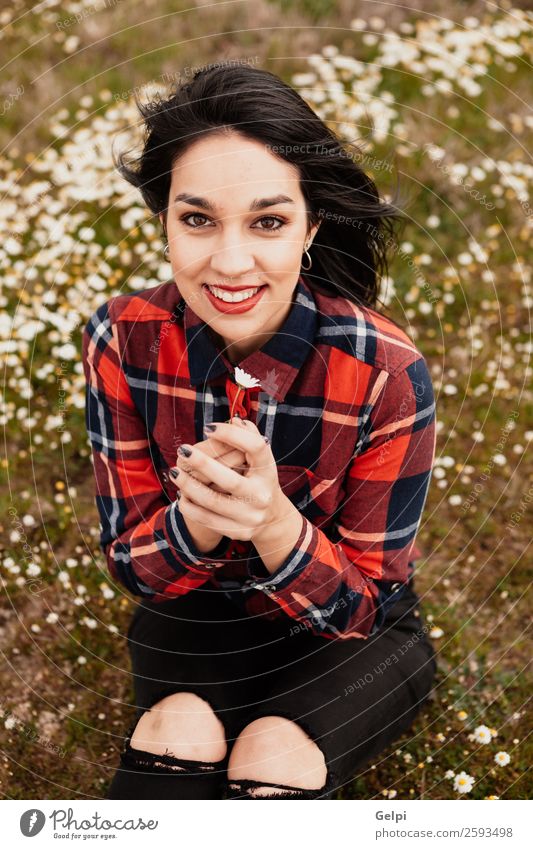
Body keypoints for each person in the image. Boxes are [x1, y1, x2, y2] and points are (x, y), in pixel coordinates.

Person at [82, 63, 437, 800]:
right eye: (197, 218)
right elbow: (134, 566)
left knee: (271, 758)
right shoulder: (122, 340)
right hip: (195, 613)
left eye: (267, 221)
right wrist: (198, 522)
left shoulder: (385, 374)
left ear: (310, 226)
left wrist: (275, 523)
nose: (230, 260)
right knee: (177, 731)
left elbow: (362, 604)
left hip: (352, 636)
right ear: (165, 220)